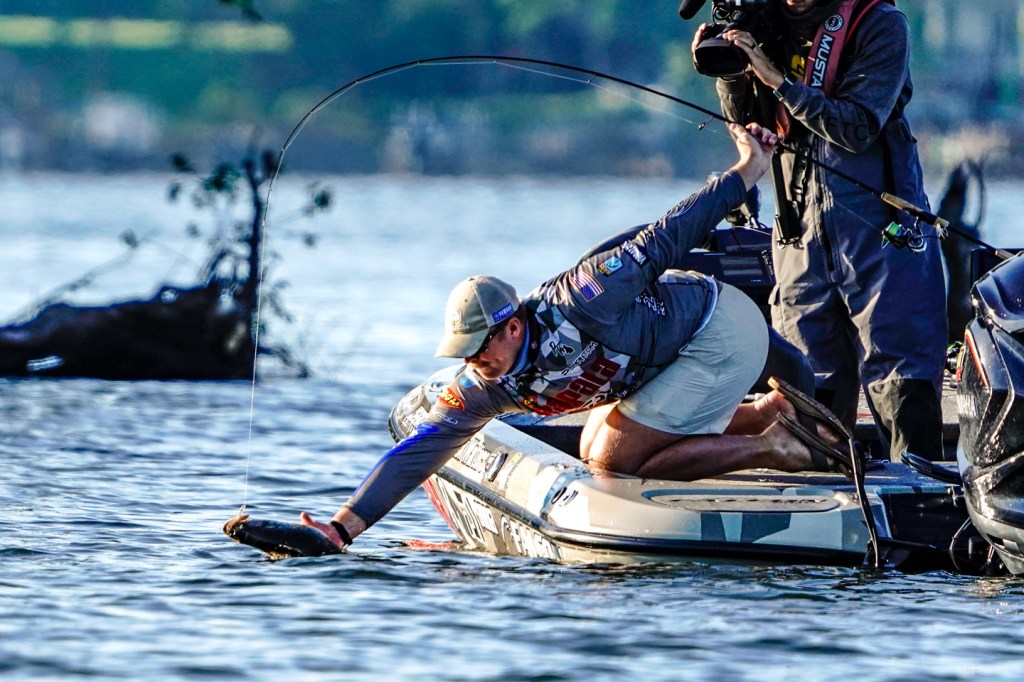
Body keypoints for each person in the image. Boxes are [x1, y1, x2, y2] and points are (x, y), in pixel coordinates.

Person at [299, 123, 849, 549]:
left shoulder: (582, 298)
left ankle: (778, 446)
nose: (474, 364)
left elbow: (668, 235)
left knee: (612, 457)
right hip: (673, 361)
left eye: (480, 350)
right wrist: (341, 528)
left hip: (719, 329)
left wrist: (747, 170)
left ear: (513, 326)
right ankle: (771, 413)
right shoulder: (485, 383)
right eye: (463, 355)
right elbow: (418, 451)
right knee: (591, 444)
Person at [707, 0, 947, 462]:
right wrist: (731, 69)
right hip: (798, 238)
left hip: (883, 237)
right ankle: (821, 495)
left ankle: (918, 493)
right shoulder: (764, 24)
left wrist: (779, 81)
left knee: (901, 383)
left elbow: (857, 127)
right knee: (806, 395)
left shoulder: (879, 23)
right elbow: (748, 122)